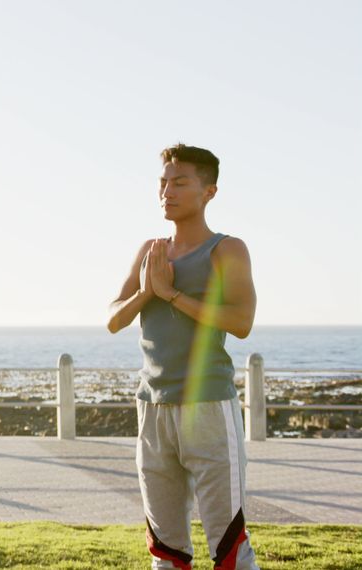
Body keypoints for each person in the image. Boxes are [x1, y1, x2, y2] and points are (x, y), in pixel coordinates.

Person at [107, 143, 259, 570]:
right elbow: (114, 319)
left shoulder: (227, 250)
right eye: (163, 182)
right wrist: (146, 292)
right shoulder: (149, 251)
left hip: (208, 407)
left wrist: (172, 294)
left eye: (179, 182)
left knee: (229, 549)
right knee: (166, 550)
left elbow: (241, 321)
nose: (167, 191)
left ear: (208, 191)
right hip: (153, 409)